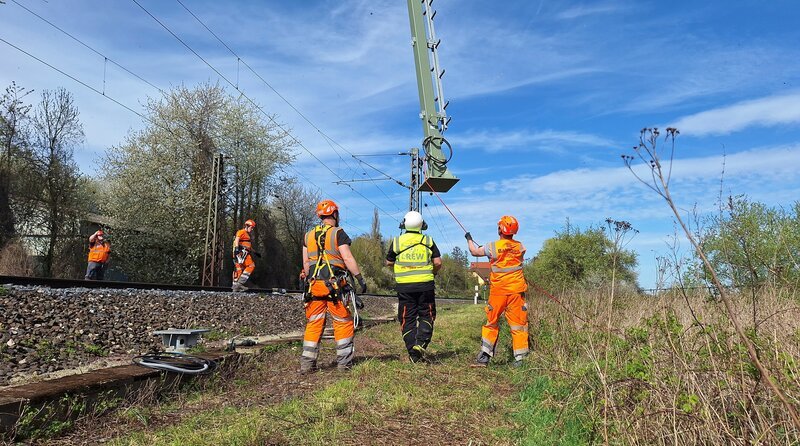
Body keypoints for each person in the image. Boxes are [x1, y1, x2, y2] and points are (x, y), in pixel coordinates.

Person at [299, 199, 367, 373]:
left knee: (314, 323)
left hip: (314, 286)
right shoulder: (338, 233)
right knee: (343, 322)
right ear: (335, 214)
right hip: (335, 287)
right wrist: (359, 278)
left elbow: (306, 263)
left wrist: (307, 280)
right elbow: (348, 258)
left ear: (321, 216)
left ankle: (307, 365)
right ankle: (344, 365)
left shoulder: (308, 236)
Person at [465, 215, 529, 368]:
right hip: (516, 291)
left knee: (492, 323)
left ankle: (484, 358)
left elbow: (474, 251)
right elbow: (510, 256)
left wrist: (468, 238)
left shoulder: (491, 247)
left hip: (498, 291)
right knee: (518, 325)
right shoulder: (520, 247)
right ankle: (521, 360)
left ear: (500, 228)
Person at [385, 210, 442, 363]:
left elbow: (389, 262)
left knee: (406, 318)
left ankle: (413, 352)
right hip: (426, 286)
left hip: (405, 288)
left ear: (404, 224)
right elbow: (438, 262)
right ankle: (421, 343)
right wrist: (433, 272)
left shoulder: (397, 241)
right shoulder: (428, 241)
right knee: (427, 315)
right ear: (422, 225)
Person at [232, 219, 256, 292]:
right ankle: (239, 284)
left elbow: (247, 245)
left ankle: (236, 288)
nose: (252, 229)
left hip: (243, 253)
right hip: (241, 253)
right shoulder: (241, 232)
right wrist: (236, 249)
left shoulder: (246, 234)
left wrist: (254, 252)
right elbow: (237, 240)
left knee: (239, 270)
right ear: (247, 226)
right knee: (251, 266)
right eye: (251, 228)